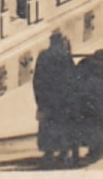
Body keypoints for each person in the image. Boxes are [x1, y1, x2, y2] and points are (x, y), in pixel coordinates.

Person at [33, 31, 80, 167]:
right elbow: (72, 77)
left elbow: (37, 79)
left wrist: (39, 99)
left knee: (47, 126)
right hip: (62, 99)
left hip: (47, 98)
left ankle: (49, 153)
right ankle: (63, 152)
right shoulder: (64, 57)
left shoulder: (43, 56)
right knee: (63, 125)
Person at [75, 49, 103, 163]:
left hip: (87, 100)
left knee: (91, 127)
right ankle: (99, 152)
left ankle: (94, 151)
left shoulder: (84, 63)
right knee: (101, 128)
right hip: (100, 102)